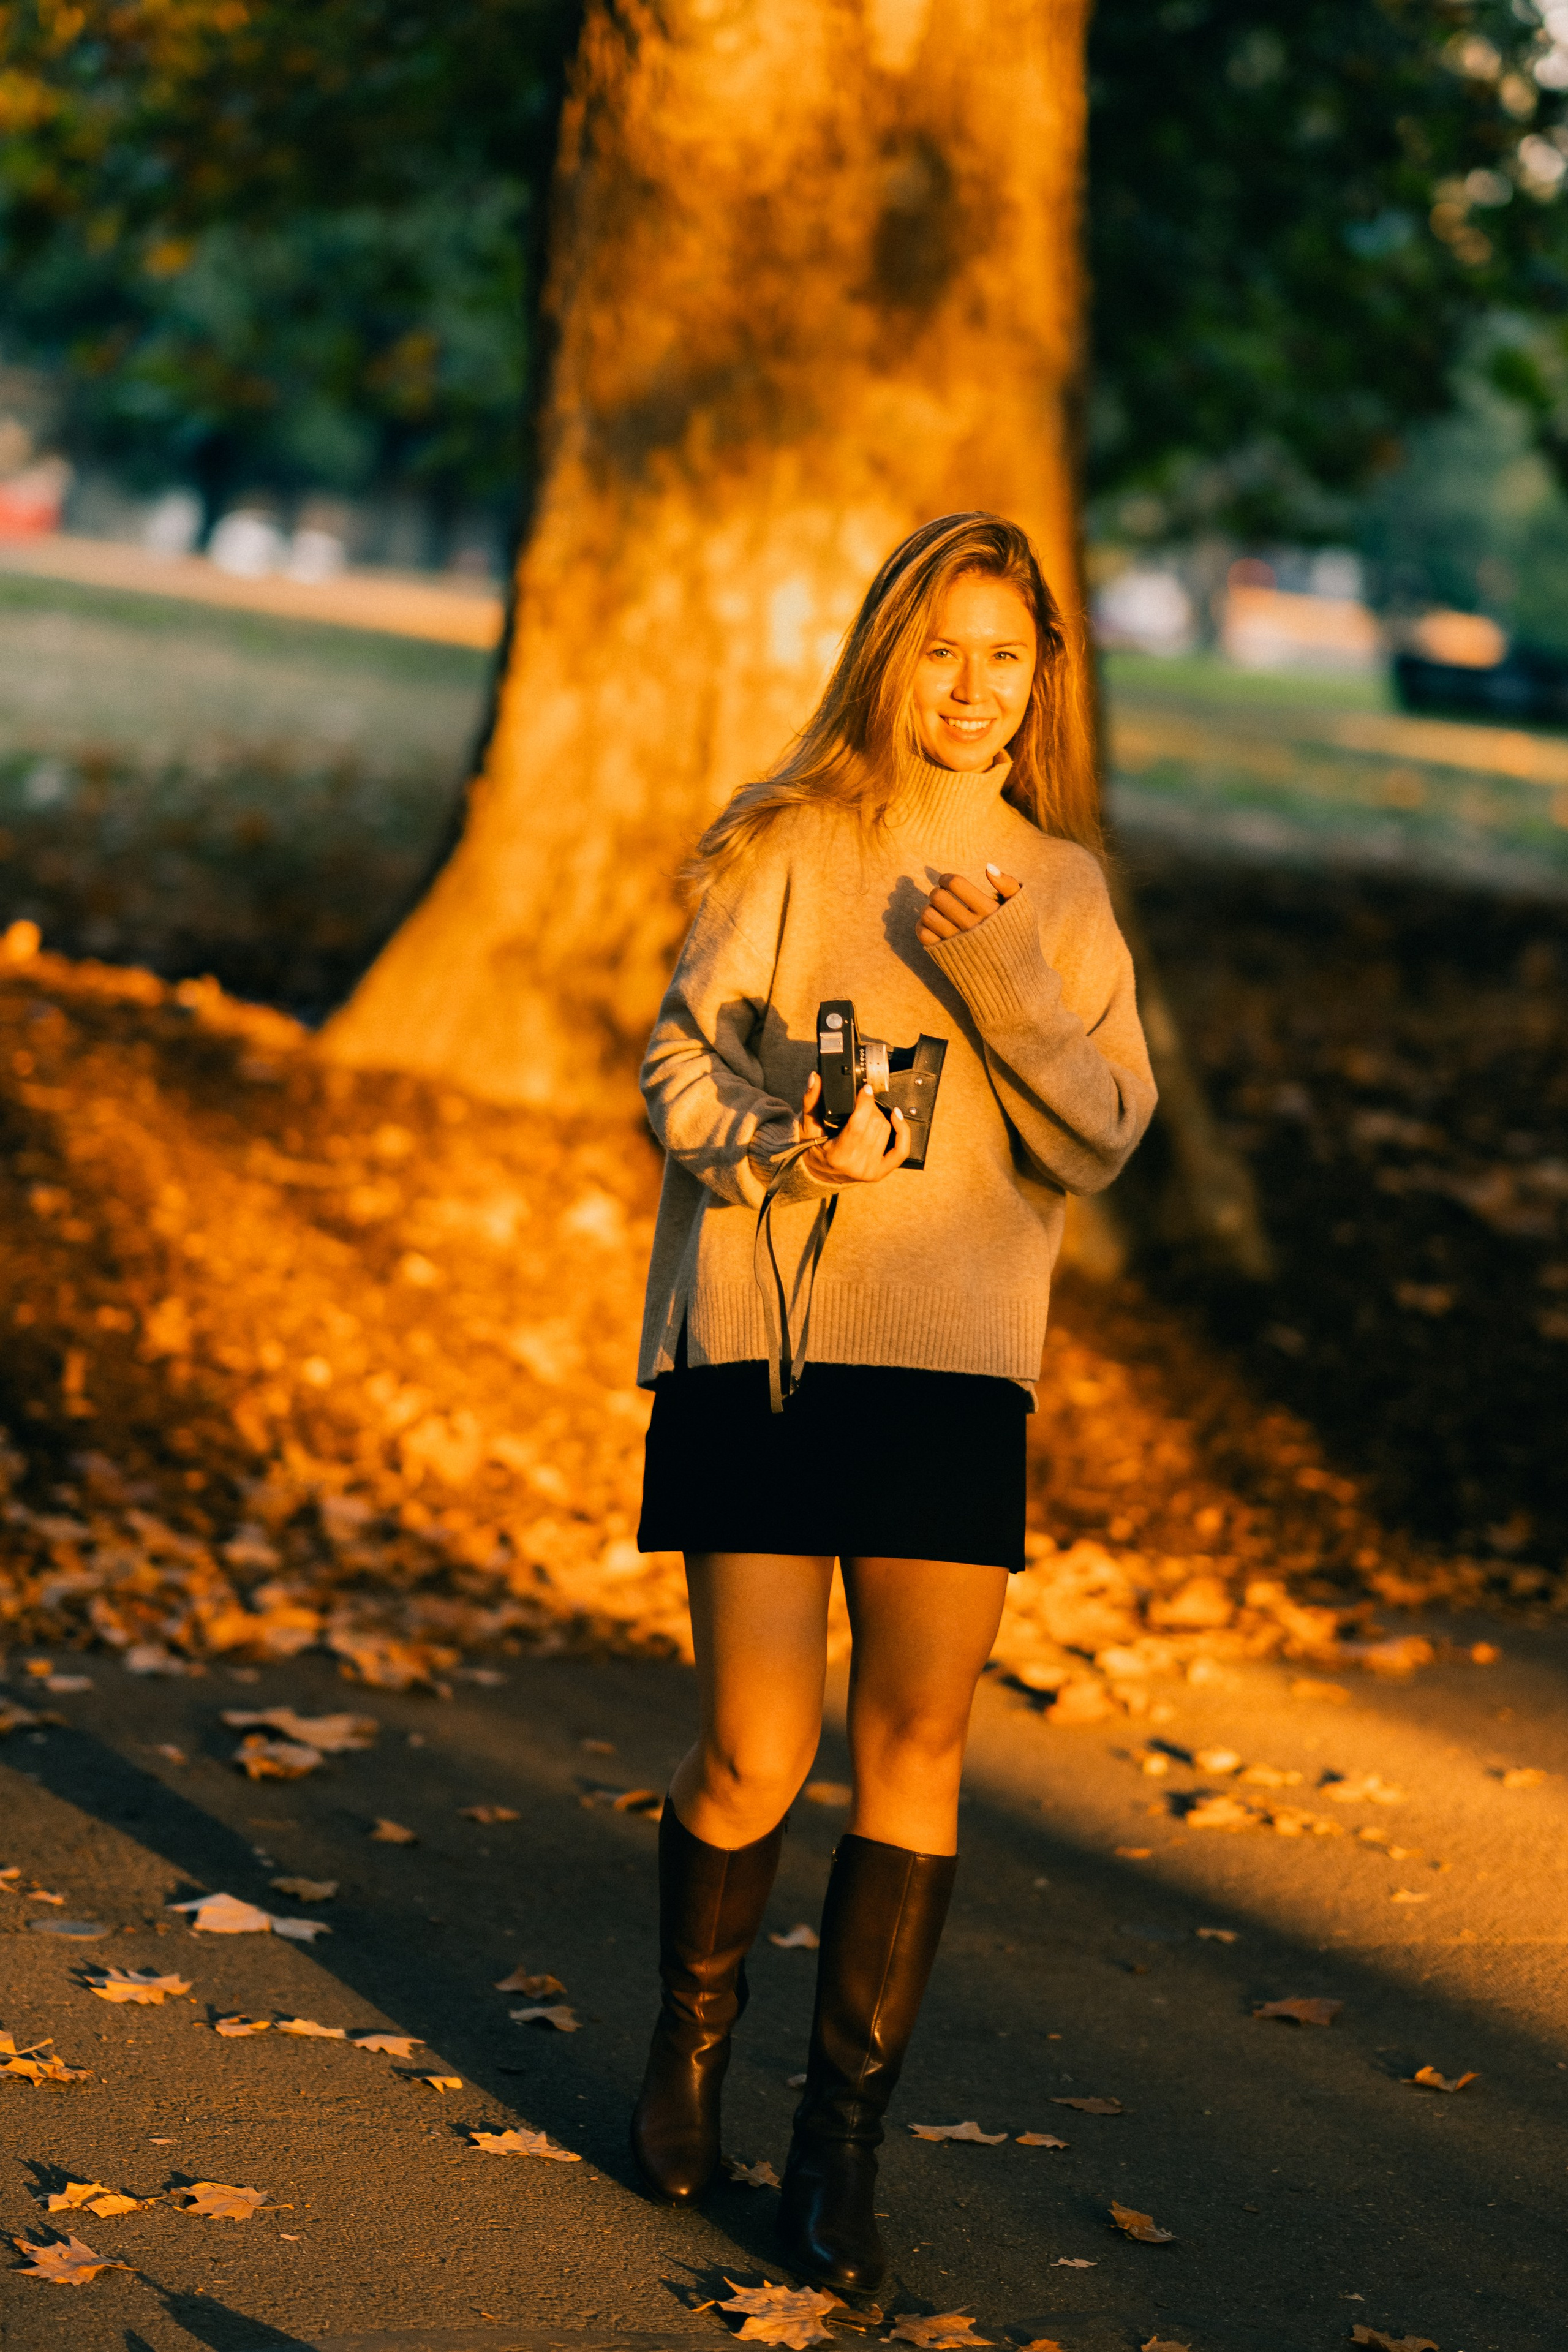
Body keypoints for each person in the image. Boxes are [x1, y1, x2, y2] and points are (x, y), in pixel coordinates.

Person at [627, 511, 1156, 2295]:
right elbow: (682, 1060)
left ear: (1041, 682)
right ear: (890, 656)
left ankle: (837, 2148)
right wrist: (783, 1141)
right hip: (767, 1347)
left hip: (950, 1370)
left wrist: (998, 968)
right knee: (757, 1750)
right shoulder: (792, 846)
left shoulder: (1061, 894)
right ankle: (692, 2039)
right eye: (943, 647)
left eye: (1006, 656)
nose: (972, 686)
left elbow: (1100, 1130)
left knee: (914, 1751)